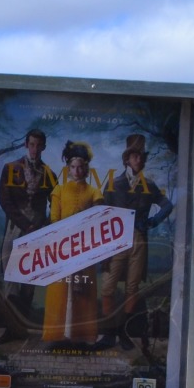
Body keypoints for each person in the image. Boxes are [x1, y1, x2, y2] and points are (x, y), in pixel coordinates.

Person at [98, 134, 172, 351]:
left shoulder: (149, 185)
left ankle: (123, 332)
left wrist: (153, 221)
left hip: (139, 239)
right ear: (127, 159)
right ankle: (109, 332)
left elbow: (167, 205)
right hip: (116, 240)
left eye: (141, 157)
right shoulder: (114, 184)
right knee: (108, 286)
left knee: (132, 287)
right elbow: (103, 214)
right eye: (134, 156)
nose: (138, 160)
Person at [42, 142, 104, 345]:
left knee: (84, 291)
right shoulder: (59, 190)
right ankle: (55, 336)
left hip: (85, 248)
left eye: (81, 167)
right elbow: (54, 220)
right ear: (68, 169)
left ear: (86, 169)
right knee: (58, 290)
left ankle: (84, 335)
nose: (77, 171)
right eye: (73, 167)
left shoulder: (94, 192)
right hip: (62, 247)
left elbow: (98, 217)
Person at [0, 129, 55, 331]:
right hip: (15, 227)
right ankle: (10, 328)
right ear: (26, 145)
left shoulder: (50, 174)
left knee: (30, 277)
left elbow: (56, 203)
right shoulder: (10, 168)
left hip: (37, 231)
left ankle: (22, 328)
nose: (35, 149)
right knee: (10, 274)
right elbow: (5, 201)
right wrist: (24, 223)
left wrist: (44, 223)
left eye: (39, 145)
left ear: (44, 147)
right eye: (32, 145)